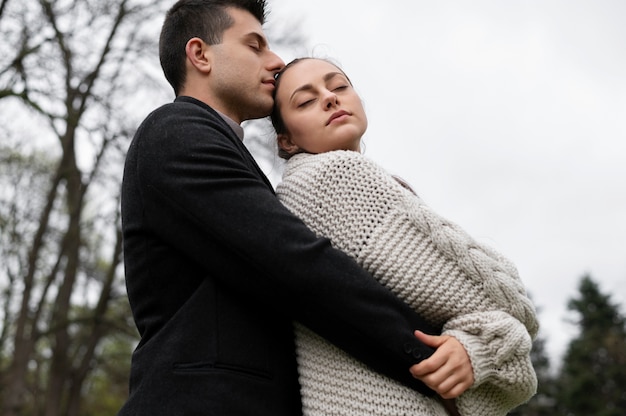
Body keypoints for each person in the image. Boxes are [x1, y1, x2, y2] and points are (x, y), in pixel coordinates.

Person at [118, 2, 472, 415]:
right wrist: (426, 356)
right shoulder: (175, 131)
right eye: (255, 46)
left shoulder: (226, 149)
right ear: (200, 55)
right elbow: (294, 263)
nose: (276, 61)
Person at [271, 57, 539, 416]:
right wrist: (493, 342)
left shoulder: (303, 191)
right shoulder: (333, 176)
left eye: (338, 86)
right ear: (286, 140)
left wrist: (475, 347)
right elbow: (508, 302)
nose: (330, 98)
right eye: (305, 101)